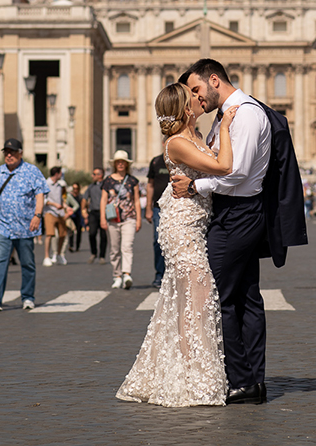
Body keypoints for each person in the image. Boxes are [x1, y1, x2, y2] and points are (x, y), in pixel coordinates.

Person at [173, 58, 307, 406]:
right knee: (247, 298)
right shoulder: (228, 115)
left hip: (236, 214)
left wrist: (194, 186)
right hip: (240, 213)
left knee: (220, 298)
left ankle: (241, 380)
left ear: (214, 80)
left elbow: (237, 173)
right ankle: (254, 380)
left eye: (198, 90)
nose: (196, 99)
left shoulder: (245, 114)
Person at [117, 82, 235, 406]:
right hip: (181, 227)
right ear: (185, 109)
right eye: (194, 97)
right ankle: (194, 380)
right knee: (199, 295)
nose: (200, 99)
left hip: (196, 223)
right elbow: (224, 166)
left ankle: (180, 374)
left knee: (185, 301)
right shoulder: (178, 143)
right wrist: (225, 127)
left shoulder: (196, 137)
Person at [0, 138, 49, 311]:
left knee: (27, 263)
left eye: (12, 152)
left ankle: (27, 297)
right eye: (6, 152)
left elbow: (40, 194)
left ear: (20, 153)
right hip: (3, 225)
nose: (9, 155)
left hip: (25, 226)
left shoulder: (31, 171)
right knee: (1, 261)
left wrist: (37, 215)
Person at [100, 151, 141, 289]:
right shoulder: (108, 180)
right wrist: (102, 218)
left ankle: (126, 274)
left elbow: (136, 201)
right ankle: (116, 275)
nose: (121, 164)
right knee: (115, 249)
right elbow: (103, 200)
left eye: (123, 162)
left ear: (127, 164)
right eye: (118, 162)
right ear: (115, 164)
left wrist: (139, 219)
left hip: (129, 218)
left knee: (127, 246)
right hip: (113, 219)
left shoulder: (133, 180)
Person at [145, 151, 170, 287]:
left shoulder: (180, 158)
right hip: (158, 207)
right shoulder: (156, 161)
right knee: (157, 240)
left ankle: (172, 274)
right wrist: (148, 207)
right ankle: (159, 274)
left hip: (176, 206)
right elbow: (150, 185)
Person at [43, 166, 67, 266]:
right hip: (49, 212)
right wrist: (54, 204)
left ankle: (58, 254)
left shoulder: (59, 185)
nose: (62, 175)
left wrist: (66, 206)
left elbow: (60, 199)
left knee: (63, 234)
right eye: (61, 173)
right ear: (56, 174)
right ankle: (46, 256)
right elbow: (43, 200)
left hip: (59, 212)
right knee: (49, 234)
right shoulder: (46, 184)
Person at [82, 167, 107, 264]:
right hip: (93, 212)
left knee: (103, 235)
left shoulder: (106, 186)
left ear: (100, 175)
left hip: (104, 213)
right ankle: (93, 252)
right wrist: (83, 210)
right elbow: (84, 198)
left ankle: (102, 256)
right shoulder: (90, 187)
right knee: (92, 233)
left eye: (94, 174)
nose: (92, 176)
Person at [66, 182, 84, 252]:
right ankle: (71, 245)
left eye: (76, 188)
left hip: (79, 215)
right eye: (74, 188)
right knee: (71, 230)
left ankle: (77, 246)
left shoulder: (81, 197)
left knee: (79, 231)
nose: (75, 190)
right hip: (72, 215)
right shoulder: (69, 196)